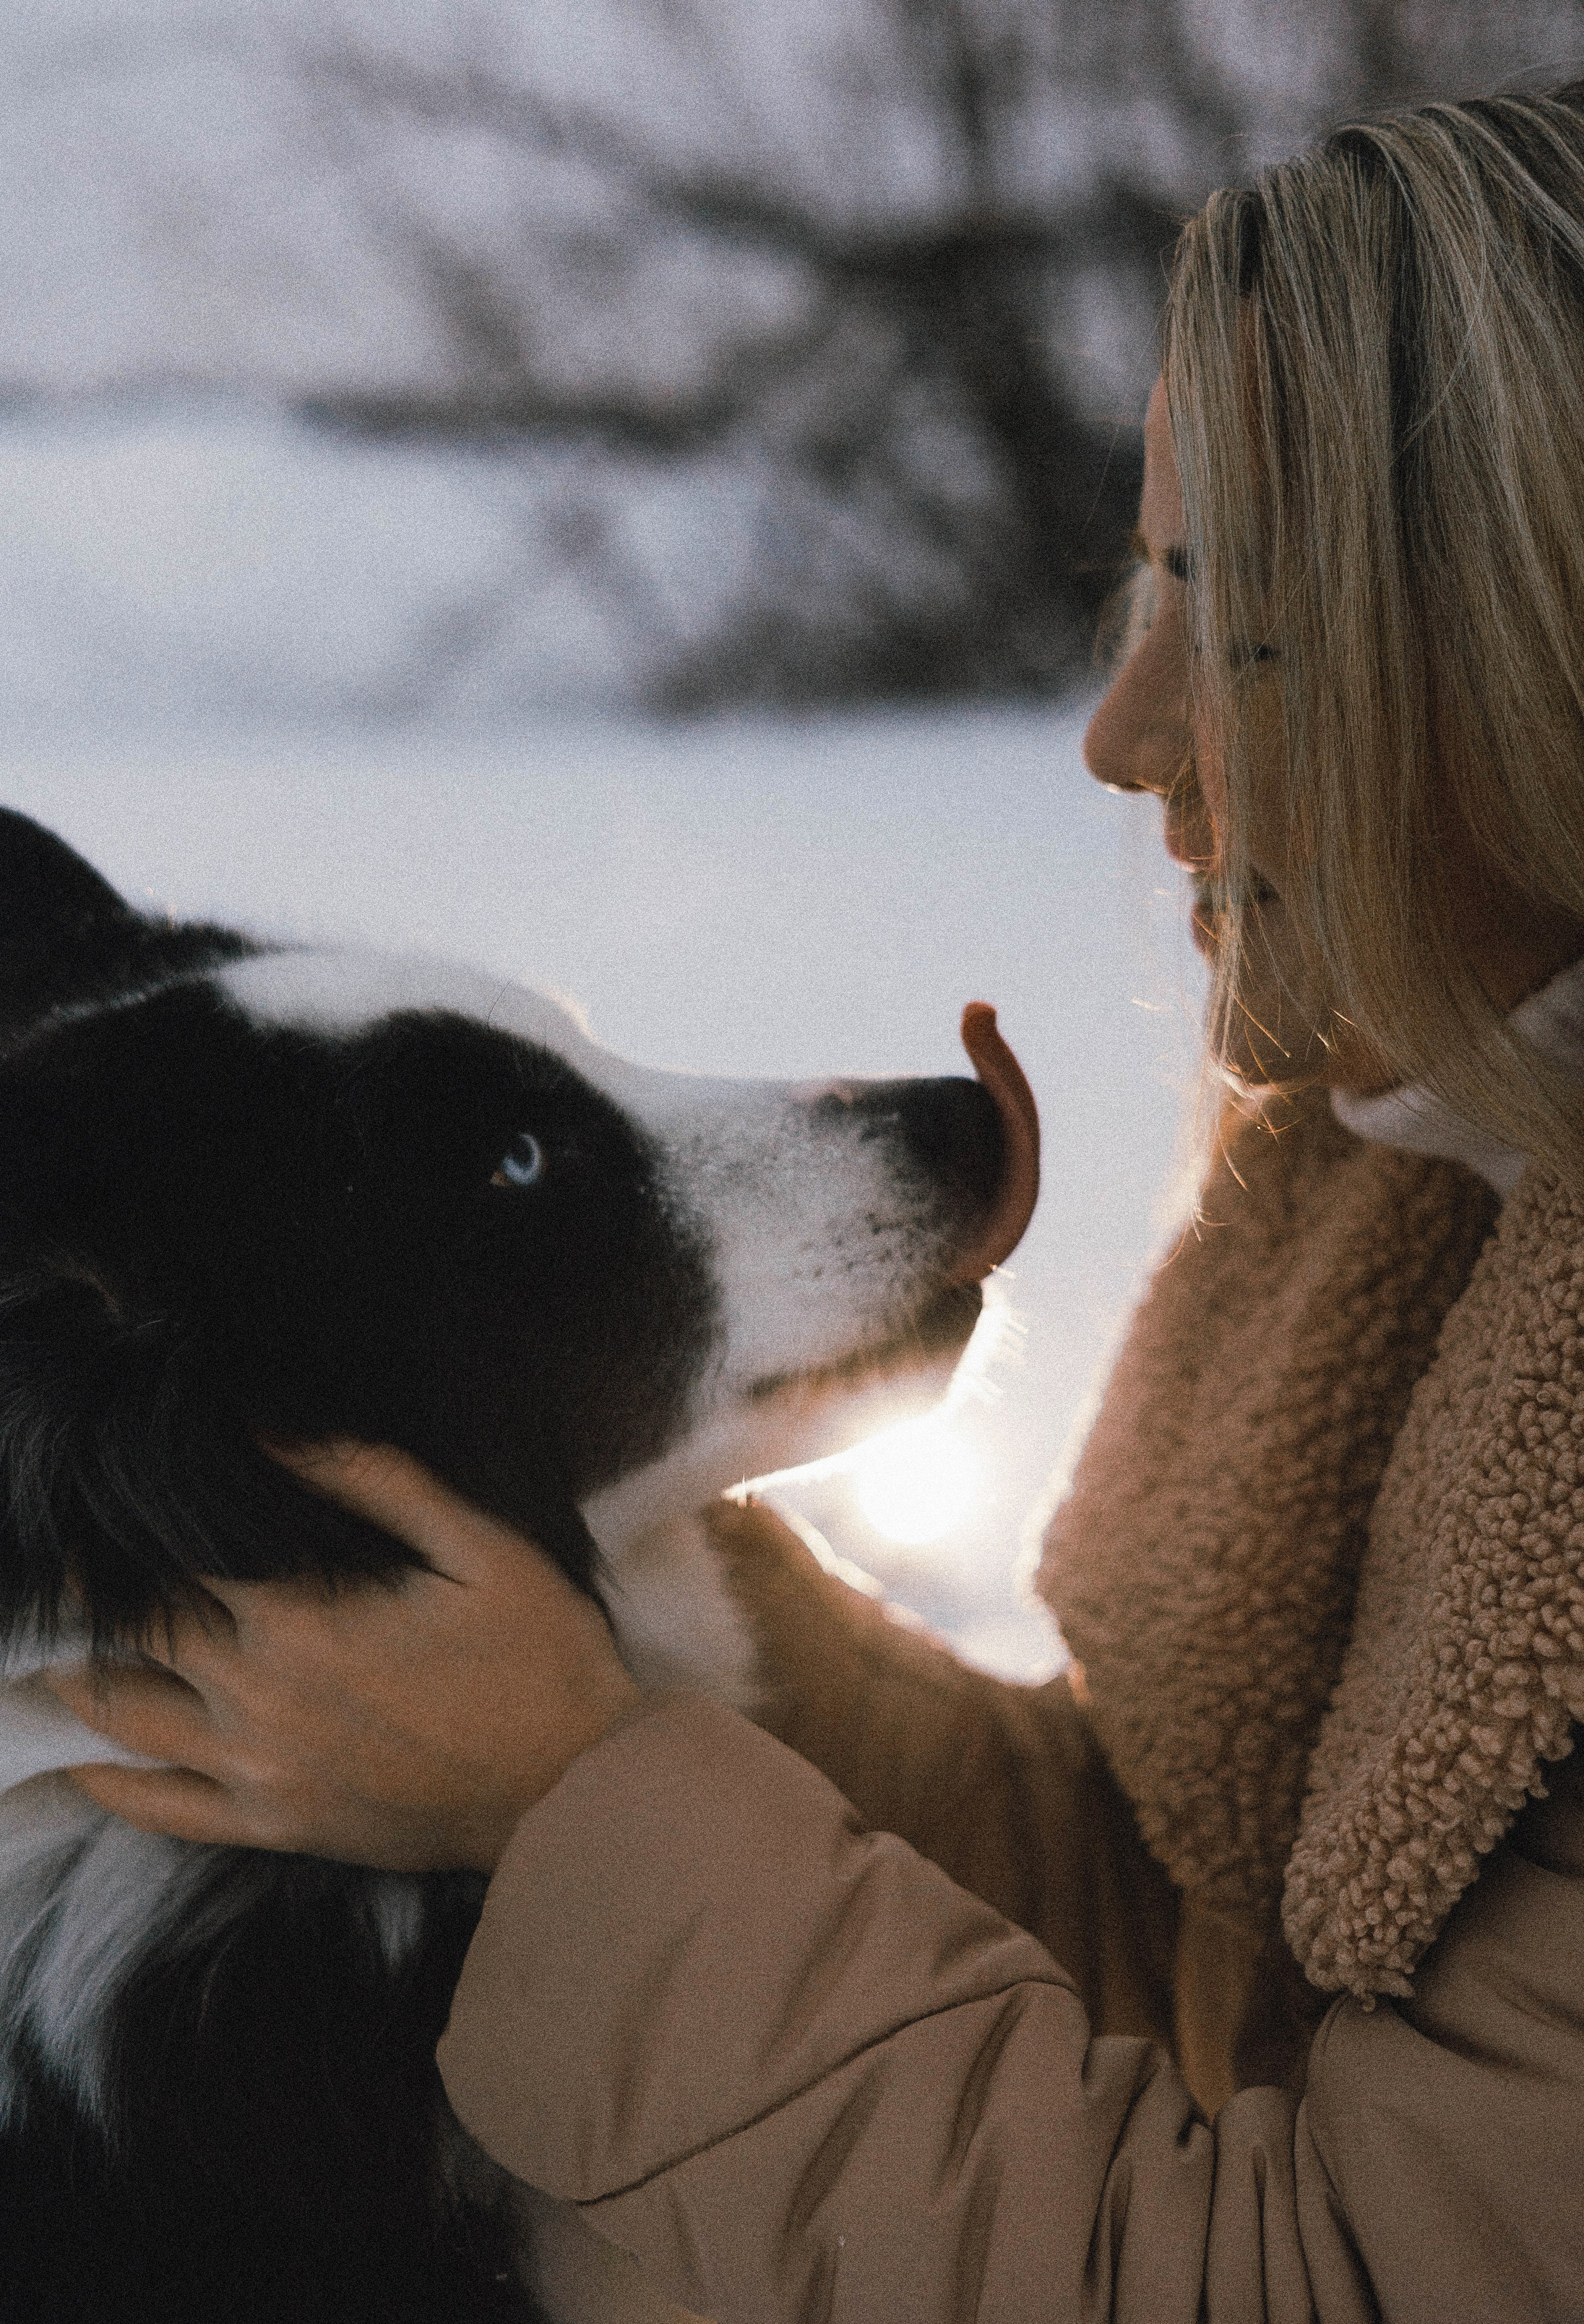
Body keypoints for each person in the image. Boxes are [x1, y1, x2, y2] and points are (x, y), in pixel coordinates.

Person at [46, 84, 1584, 2321]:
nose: (1121, 736)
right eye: (1143, 587)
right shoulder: (1440, 1173)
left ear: (1538, 659)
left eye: (1250, 634)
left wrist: (574, 1797)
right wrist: (599, 1570)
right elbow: (1198, 1926)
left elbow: (1328, 2282)